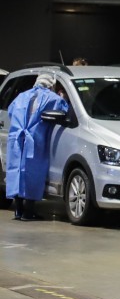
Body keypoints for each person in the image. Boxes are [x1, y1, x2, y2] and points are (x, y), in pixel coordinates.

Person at [6, 73, 70, 221]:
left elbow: (10, 111)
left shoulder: (21, 96)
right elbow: (64, 110)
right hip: (35, 139)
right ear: (51, 85)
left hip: (17, 139)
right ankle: (29, 211)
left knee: (17, 172)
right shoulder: (52, 98)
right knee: (32, 173)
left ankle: (19, 210)